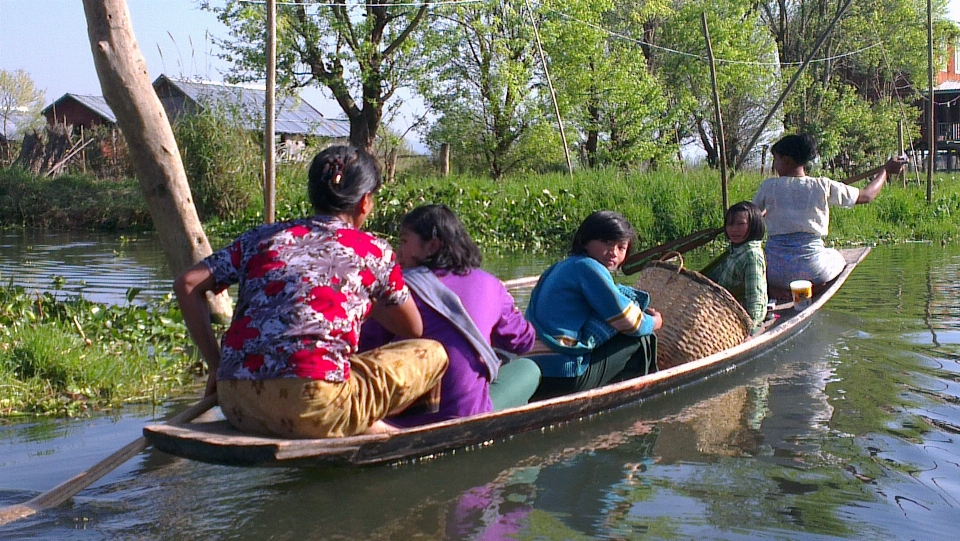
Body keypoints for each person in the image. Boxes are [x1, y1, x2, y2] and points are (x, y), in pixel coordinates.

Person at [173, 145, 448, 439]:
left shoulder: (260, 237)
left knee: (335, 365)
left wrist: (216, 365)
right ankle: (408, 433)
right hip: (315, 405)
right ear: (365, 202)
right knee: (432, 352)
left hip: (237, 403)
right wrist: (367, 298)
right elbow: (413, 328)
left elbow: (188, 284)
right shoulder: (374, 251)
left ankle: (363, 423)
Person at [359, 204, 540, 426]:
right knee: (528, 368)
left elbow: (364, 345)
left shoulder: (397, 290)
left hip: (397, 418)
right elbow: (523, 342)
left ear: (432, 246)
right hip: (464, 417)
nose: (398, 252)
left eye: (404, 241)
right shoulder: (491, 285)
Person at [525, 210, 662, 400]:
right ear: (585, 242)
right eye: (606, 243)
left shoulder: (561, 267)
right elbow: (630, 322)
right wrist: (655, 322)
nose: (613, 252)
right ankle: (633, 402)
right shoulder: (589, 268)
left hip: (533, 370)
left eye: (621, 247)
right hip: (564, 373)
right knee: (640, 338)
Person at [753, 133, 906, 290]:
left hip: (774, 273)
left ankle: (776, 288)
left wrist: (762, 214)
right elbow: (866, 196)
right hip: (814, 271)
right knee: (836, 256)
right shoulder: (822, 185)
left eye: (776, 159)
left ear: (785, 160)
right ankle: (819, 284)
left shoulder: (769, 186)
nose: (775, 165)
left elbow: (752, 216)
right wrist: (885, 171)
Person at [700, 201, 768, 329]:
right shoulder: (735, 251)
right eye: (730, 224)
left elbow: (755, 296)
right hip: (721, 310)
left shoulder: (751, 255)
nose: (734, 229)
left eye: (741, 224)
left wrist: (751, 328)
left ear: (753, 225)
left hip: (739, 319)